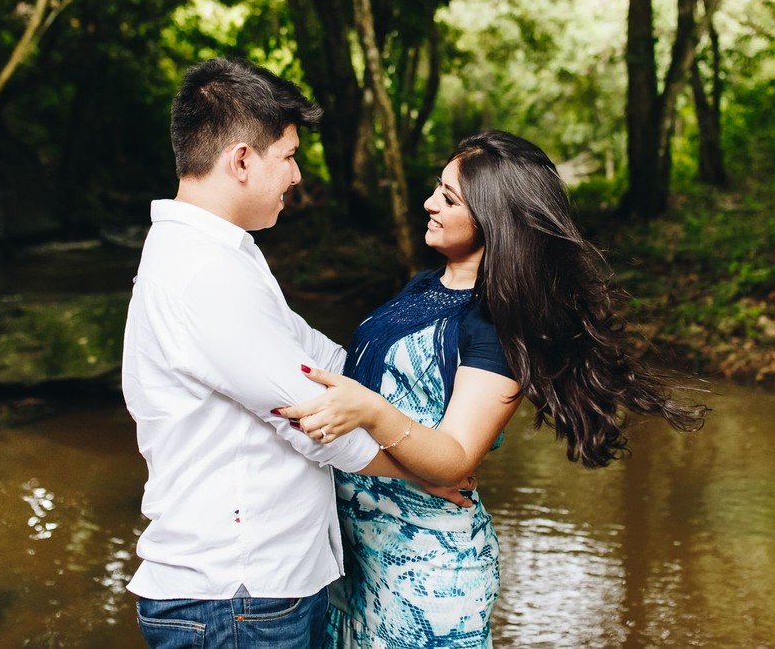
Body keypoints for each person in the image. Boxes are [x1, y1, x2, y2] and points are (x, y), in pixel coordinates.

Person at [278, 130, 708, 648]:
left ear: (492, 219)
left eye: (449, 199)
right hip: (351, 555)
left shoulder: (499, 323)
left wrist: (370, 412)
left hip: (427, 568)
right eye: (437, 188)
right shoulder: (423, 286)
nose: (429, 203)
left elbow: (456, 457)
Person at [120, 57, 467, 649]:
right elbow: (313, 416)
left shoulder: (224, 254)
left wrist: (416, 371)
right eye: (288, 156)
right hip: (234, 598)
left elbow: (318, 357)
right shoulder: (202, 272)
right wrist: (425, 469)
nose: (298, 175)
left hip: (257, 590)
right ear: (241, 161)